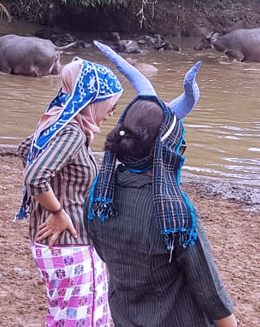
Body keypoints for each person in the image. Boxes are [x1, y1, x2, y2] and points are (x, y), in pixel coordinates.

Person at [86, 42, 237, 327]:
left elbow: (105, 254)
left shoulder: (97, 197)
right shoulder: (176, 214)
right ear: (170, 150)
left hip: (124, 316)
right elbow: (209, 291)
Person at [15, 57, 123, 326]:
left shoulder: (55, 122)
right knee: (82, 319)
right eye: (110, 103)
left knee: (63, 315)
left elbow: (26, 148)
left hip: (52, 242)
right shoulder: (73, 133)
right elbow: (36, 176)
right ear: (92, 98)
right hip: (70, 243)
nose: (112, 111)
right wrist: (58, 211)